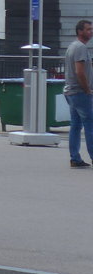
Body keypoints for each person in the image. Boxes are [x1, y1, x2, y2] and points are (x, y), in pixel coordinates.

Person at [63, 18, 93, 168]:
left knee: (75, 125)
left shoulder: (72, 46)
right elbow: (79, 72)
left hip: (71, 92)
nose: (91, 32)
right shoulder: (80, 47)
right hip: (80, 92)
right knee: (90, 124)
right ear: (80, 31)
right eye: (88, 29)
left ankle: (75, 158)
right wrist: (87, 89)